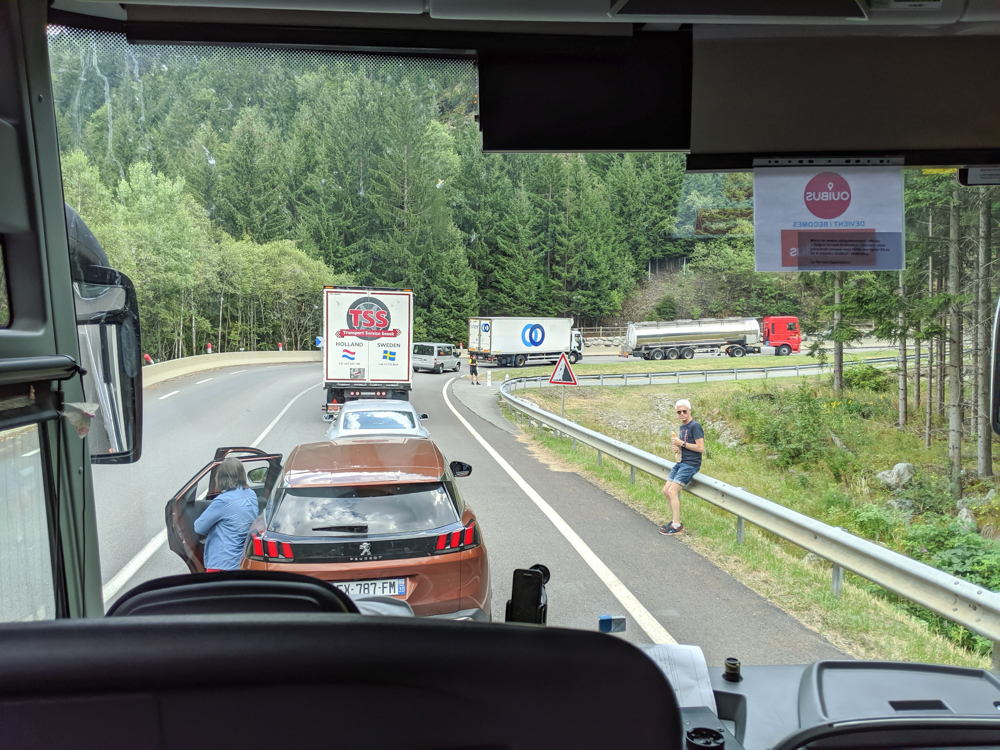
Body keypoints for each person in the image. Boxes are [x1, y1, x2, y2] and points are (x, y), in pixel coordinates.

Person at [194, 457, 259, 570]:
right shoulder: (251, 494)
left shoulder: (223, 501)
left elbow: (199, 528)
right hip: (243, 561)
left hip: (222, 563)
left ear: (221, 477)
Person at [659, 399, 704, 536]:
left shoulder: (695, 426)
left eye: (684, 411)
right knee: (666, 490)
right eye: (679, 412)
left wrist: (681, 443)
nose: (682, 414)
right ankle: (674, 521)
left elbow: (701, 448)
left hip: (690, 464)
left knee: (673, 491)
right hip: (681, 462)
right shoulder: (682, 427)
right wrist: (677, 447)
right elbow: (683, 444)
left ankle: (677, 525)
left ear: (689, 411)